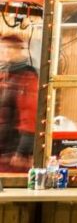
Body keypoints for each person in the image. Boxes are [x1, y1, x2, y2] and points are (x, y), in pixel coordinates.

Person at [0, 34, 38, 172]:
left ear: (20, 50)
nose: (6, 51)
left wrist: (22, 152)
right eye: (3, 48)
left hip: (14, 158)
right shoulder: (4, 74)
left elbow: (30, 116)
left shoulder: (27, 77)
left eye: (11, 48)